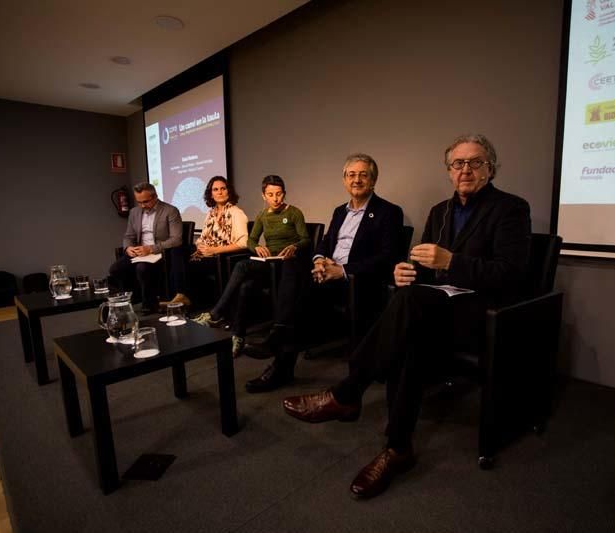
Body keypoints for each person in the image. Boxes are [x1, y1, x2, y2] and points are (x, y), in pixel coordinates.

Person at [282, 134, 532, 499]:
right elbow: (424, 269)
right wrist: (407, 271)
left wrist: (452, 262)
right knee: (408, 322)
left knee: (409, 308)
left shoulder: (511, 208)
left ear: (490, 168)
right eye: (457, 164)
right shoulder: (440, 212)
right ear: (449, 171)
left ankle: (348, 393)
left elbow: (512, 274)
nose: (465, 170)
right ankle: (398, 449)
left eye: (474, 162)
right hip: (437, 308)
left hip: (486, 312)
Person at [244, 153, 404, 393]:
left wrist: (342, 271)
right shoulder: (340, 211)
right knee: (292, 266)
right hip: (326, 274)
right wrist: (319, 261)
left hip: (355, 281)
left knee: (297, 299)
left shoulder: (389, 211)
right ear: (344, 180)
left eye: (363, 175)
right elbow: (326, 242)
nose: (357, 180)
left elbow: (387, 257)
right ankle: (279, 339)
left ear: (373, 180)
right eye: (351, 175)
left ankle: (280, 356)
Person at [195, 175, 310, 359]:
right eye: (270, 194)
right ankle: (238, 335)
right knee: (245, 284)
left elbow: (306, 239)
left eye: (279, 194)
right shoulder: (262, 216)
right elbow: (250, 239)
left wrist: (294, 246)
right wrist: (256, 247)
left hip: (289, 264)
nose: (275, 198)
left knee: (242, 267)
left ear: (284, 194)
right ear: (264, 196)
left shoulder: (294, 213)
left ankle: (216, 313)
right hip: (270, 263)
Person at [163, 176, 248, 308]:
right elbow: (202, 237)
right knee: (176, 251)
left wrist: (214, 250)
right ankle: (180, 295)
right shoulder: (211, 213)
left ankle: (183, 298)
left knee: (185, 264)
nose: (219, 192)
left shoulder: (236, 213)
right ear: (211, 194)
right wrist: (200, 245)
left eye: (223, 189)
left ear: (229, 191)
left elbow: (243, 243)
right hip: (206, 252)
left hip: (221, 257)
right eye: (215, 189)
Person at [109, 182, 185, 314]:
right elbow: (128, 236)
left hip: (160, 252)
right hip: (139, 252)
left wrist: (151, 249)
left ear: (155, 196)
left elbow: (176, 239)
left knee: (142, 268)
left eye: (145, 201)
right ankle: (131, 299)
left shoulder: (170, 211)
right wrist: (128, 248)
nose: (142, 206)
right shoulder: (134, 212)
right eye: (139, 202)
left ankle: (148, 304)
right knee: (115, 269)